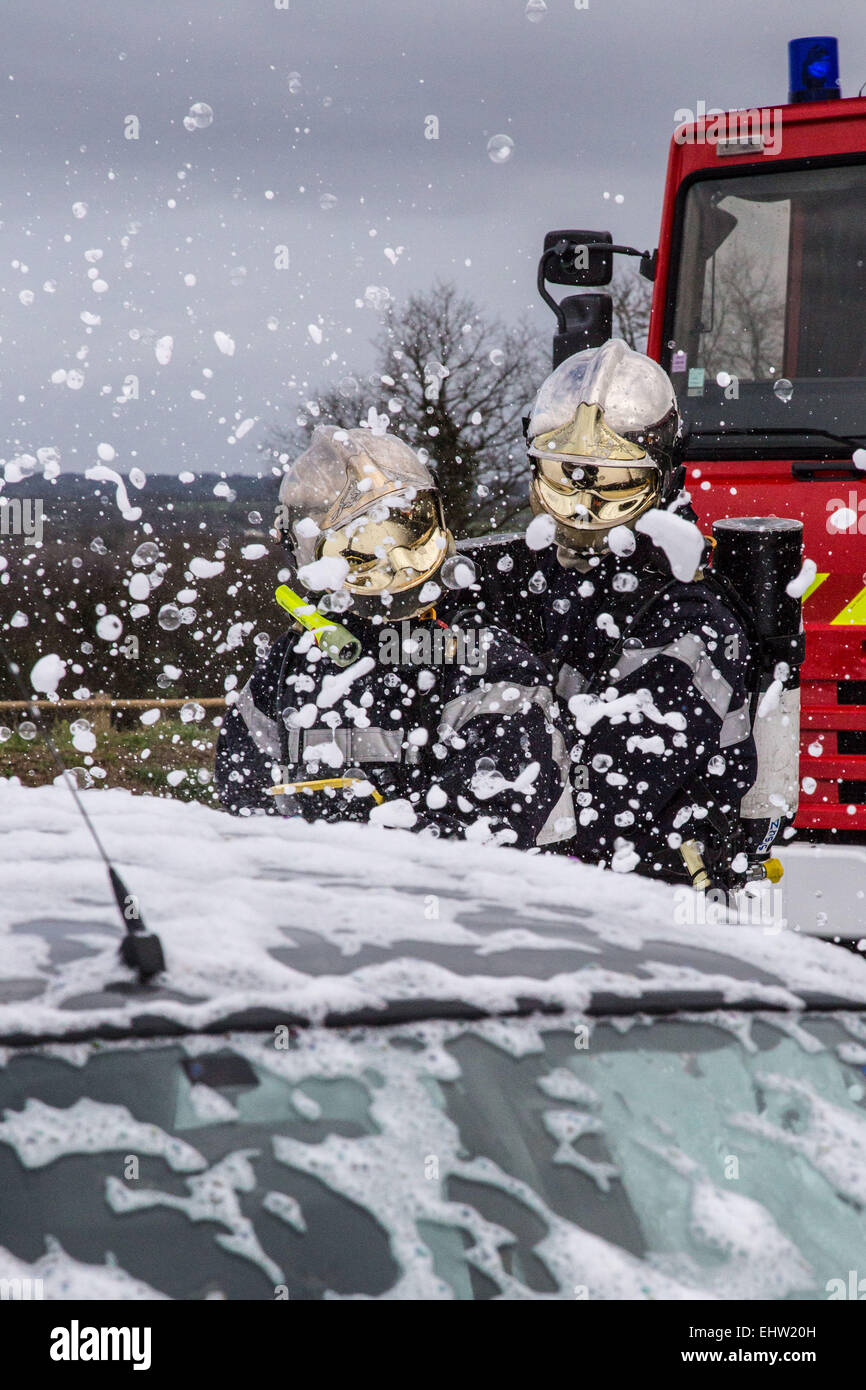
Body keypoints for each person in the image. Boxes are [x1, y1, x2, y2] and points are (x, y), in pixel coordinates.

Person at [456, 338, 759, 886]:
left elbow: (618, 794)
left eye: (615, 481)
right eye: (564, 473)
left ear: (663, 477)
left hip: (645, 888)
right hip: (528, 880)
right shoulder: (516, 576)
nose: (583, 504)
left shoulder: (689, 617)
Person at [215, 425, 574, 850]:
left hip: (482, 907)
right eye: (366, 545)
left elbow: (485, 833)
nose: (399, 561)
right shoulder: (291, 662)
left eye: (408, 528)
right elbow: (245, 803)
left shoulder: (485, 662)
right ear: (318, 557)